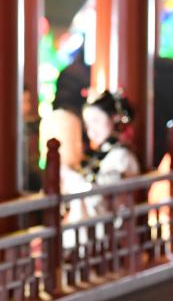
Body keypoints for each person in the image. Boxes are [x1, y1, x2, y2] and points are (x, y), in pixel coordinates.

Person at [60, 90, 140, 226]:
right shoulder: (98, 153)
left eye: (96, 121)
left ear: (114, 117)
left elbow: (98, 199)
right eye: (87, 124)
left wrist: (70, 177)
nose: (92, 130)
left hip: (113, 229)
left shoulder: (122, 157)